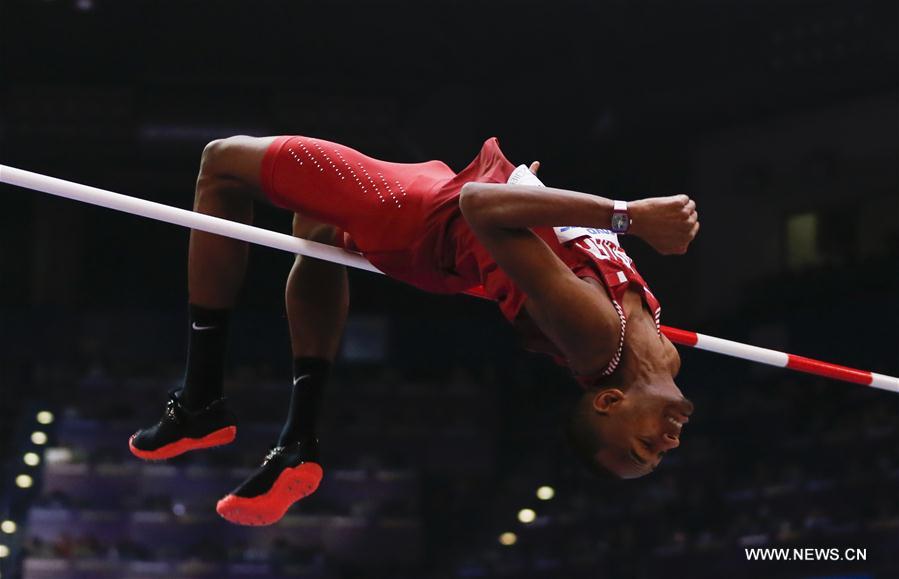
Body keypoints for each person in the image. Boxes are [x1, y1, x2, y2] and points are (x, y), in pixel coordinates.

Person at [128, 135, 699, 526]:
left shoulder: (597, 340)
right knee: (316, 231)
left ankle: (200, 398)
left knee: (221, 162)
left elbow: (481, 206)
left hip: (422, 215)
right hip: (442, 213)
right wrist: (540, 203)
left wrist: (631, 215)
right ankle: (296, 442)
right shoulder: (662, 357)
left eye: (645, 445)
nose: (667, 444)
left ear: (608, 401)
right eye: (657, 453)